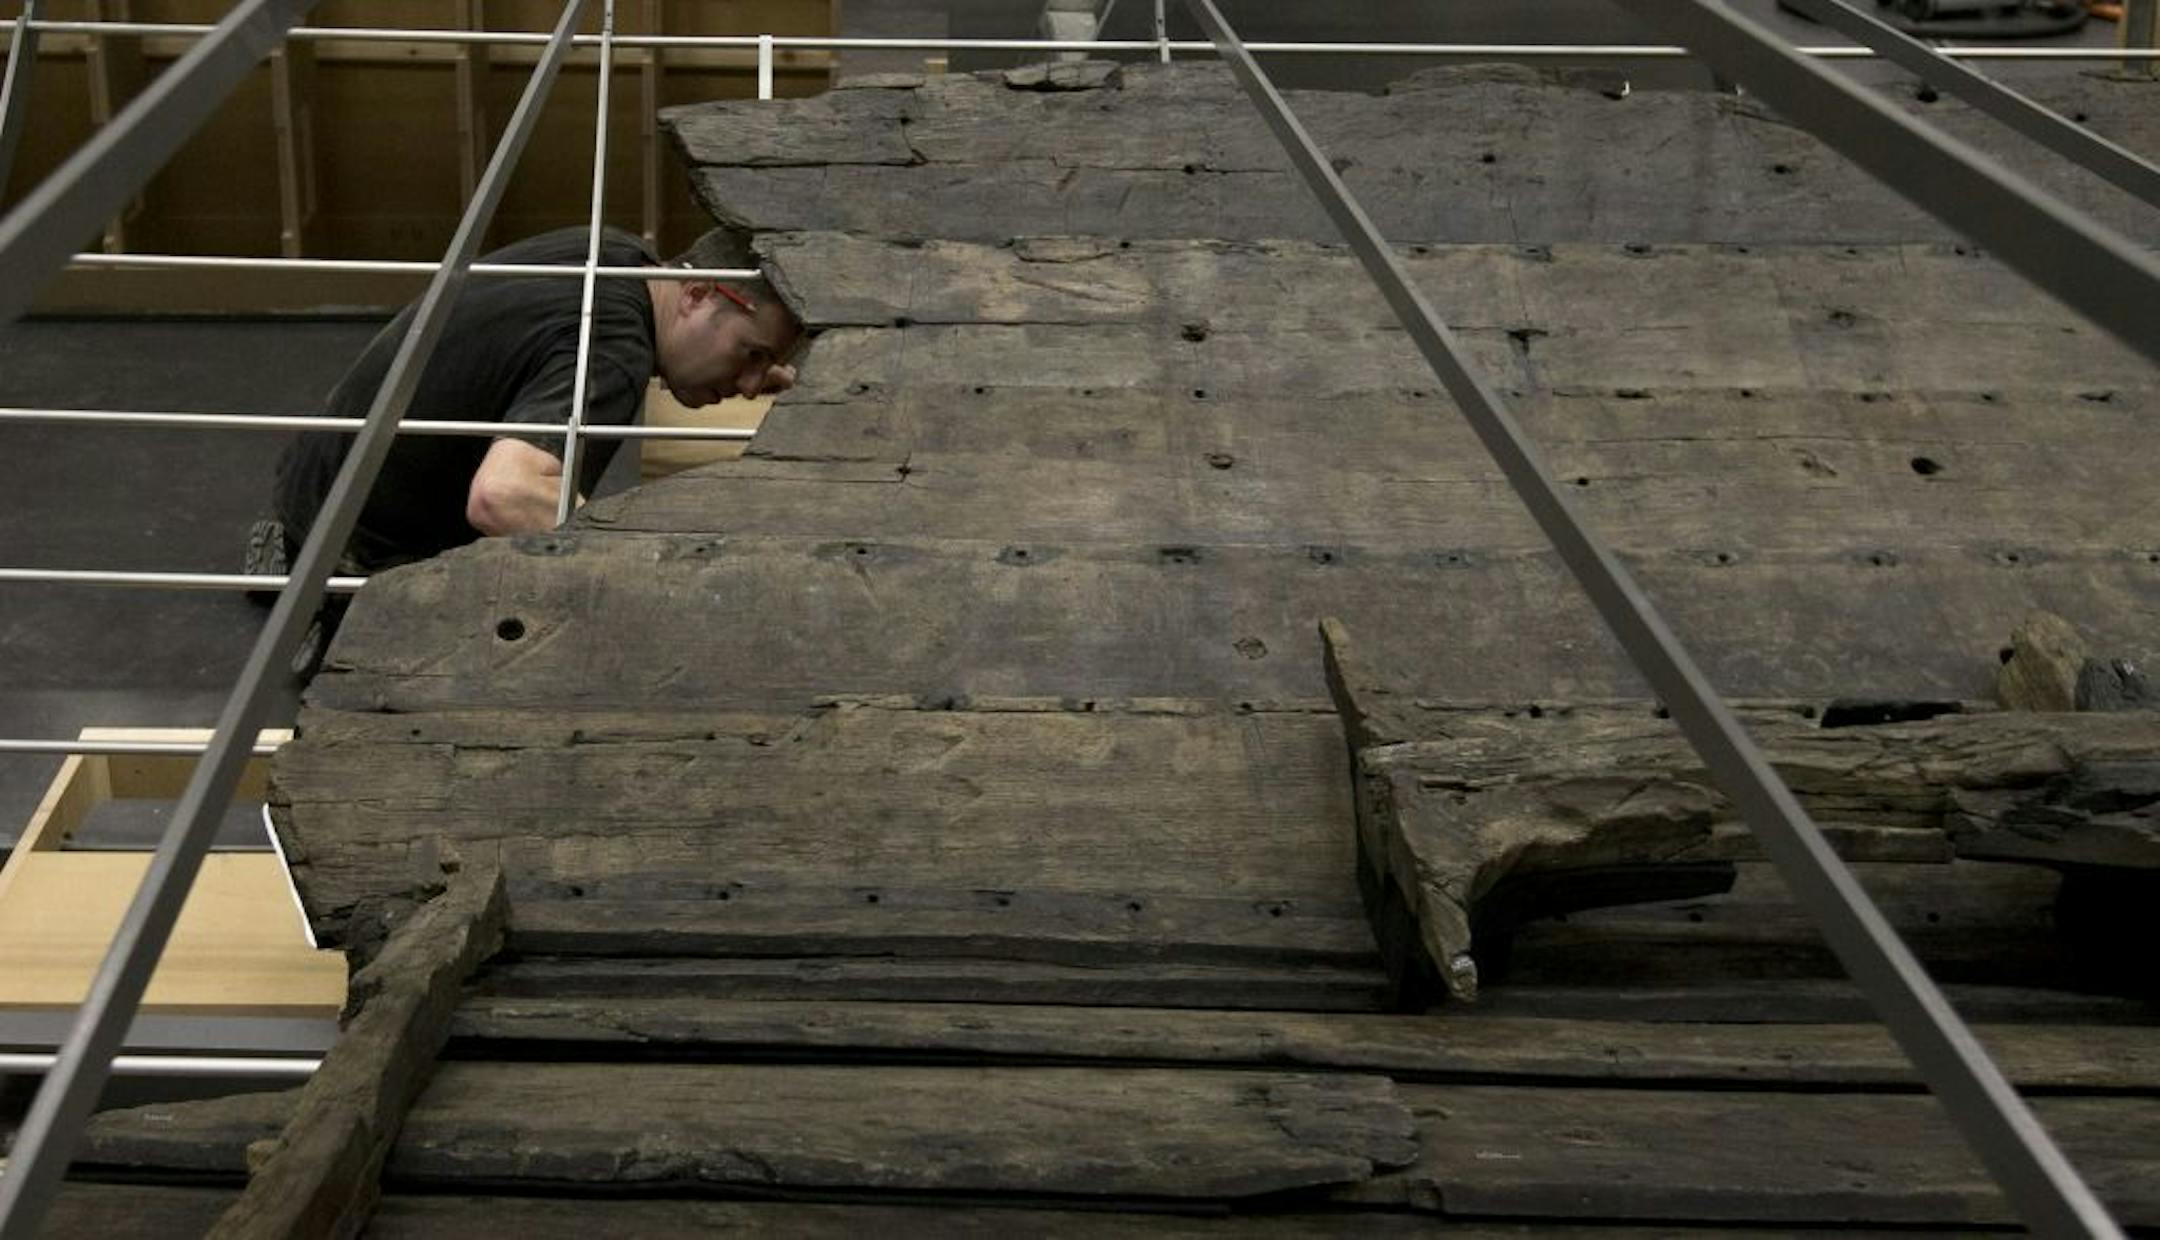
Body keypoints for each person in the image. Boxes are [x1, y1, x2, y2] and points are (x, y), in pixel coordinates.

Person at [245, 226, 803, 669]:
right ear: (698, 292)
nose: (753, 384)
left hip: (318, 476)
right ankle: (324, 606)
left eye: (766, 363)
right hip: (364, 547)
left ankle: (296, 551)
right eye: (750, 354)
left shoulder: (618, 254)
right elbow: (504, 495)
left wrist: (743, 364)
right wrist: (649, 580)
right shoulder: (612, 350)